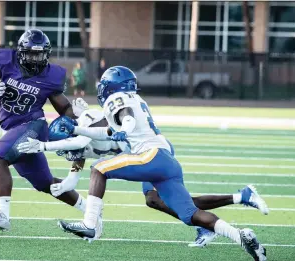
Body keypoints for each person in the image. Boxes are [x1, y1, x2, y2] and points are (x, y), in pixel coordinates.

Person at [55, 66, 267, 260]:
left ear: (112, 86)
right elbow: (107, 130)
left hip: (150, 156)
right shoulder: (135, 99)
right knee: (190, 214)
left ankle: (90, 224)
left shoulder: (117, 99)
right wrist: (77, 129)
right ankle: (241, 236)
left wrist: (124, 130)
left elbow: (126, 118)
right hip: (165, 161)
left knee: (99, 169)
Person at [17, 108, 269, 248]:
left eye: (65, 145)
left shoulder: (86, 124)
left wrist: (42, 147)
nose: (70, 152)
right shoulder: (77, 150)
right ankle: (240, 197)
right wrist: (58, 187)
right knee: (157, 200)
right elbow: (73, 179)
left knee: (106, 172)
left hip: (153, 151)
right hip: (142, 156)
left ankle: (91, 226)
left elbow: (82, 138)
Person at [0, 29, 94, 231]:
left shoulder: (51, 76)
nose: (36, 59)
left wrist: (77, 113)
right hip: (12, 127)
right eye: (31, 54)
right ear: (20, 52)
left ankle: (2, 215)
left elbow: (64, 109)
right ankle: (91, 211)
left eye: (40, 54)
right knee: (46, 184)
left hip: (33, 126)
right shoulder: (4, 61)